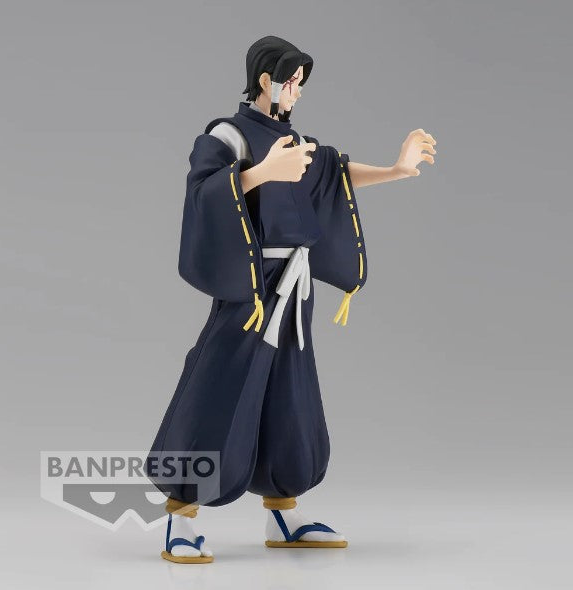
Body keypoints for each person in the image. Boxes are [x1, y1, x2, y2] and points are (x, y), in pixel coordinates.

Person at [147, 35, 437, 564]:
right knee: (220, 386)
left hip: (295, 284)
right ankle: (179, 515)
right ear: (267, 80)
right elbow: (204, 192)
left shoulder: (297, 140)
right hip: (252, 285)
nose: (298, 92)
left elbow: (334, 177)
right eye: (293, 82)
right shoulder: (228, 135)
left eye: (302, 83)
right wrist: (261, 173)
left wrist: (395, 170)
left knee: (290, 393)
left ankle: (283, 510)